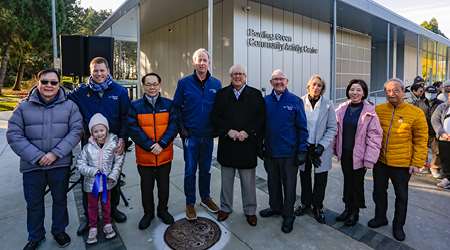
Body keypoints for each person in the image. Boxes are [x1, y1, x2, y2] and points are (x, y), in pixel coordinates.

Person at [7, 69, 83, 250]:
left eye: (53, 82)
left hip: (60, 164)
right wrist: (37, 156)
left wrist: (55, 154)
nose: (49, 85)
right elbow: (14, 135)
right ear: (38, 82)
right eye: (45, 82)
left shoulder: (70, 106)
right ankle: (35, 236)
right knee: (34, 204)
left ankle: (59, 231)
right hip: (32, 166)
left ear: (59, 85)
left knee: (60, 200)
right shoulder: (23, 107)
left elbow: (76, 131)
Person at [69, 57, 130, 234]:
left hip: (114, 143)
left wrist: (123, 139)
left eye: (102, 70)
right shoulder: (81, 92)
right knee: (88, 181)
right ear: (91, 71)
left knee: (113, 178)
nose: (99, 74)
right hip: (90, 144)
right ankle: (89, 219)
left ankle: (113, 210)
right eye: (95, 70)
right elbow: (60, 98)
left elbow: (126, 116)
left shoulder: (119, 91)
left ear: (108, 70)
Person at [369, 78, 428, 242]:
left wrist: (417, 162)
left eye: (395, 90)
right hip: (380, 162)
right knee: (378, 192)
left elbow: (421, 139)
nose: (391, 94)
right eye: (388, 91)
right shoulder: (378, 110)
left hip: (402, 164)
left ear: (403, 91)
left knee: (401, 196)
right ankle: (380, 217)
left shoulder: (416, 113)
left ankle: (398, 226)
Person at [211, 64, 265, 226]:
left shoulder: (255, 94)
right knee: (226, 181)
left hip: (247, 146)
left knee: (248, 183)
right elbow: (215, 117)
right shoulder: (222, 94)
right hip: (228, 145)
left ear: (245, 76)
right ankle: (225, 208)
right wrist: (228, 131)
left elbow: (261, 119)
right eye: (234, 74)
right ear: (230, 76)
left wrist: (248, 132)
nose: (238, 77)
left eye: (241, 74)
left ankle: (250, 211)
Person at [173, 48, 222, 220]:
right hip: (191, 137)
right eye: (199, 60)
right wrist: (182, 130)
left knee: (206, 170)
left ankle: (205, 198)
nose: (202, 63)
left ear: (209, 63)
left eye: (204, 60)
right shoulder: (184, 83)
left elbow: (219, 110)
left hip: (208, 136)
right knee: (190, 171)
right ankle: (190, 203)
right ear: (194, 63)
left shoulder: (216, 84)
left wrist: (217, 129)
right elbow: (176, 108)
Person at [258, 69, 308, 233]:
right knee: (273, 183)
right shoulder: (265, 101)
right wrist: (260, 146)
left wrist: (302, 150)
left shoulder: (295, 101)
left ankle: (288, 215)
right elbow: (261, 126)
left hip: (289, 153)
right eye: (275, 79)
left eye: (282, 79)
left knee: (289, 186)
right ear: (271, 83)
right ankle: (275, 208)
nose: (279, 82)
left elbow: (302, 128)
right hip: (271, 152)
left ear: (287, 82)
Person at [128, 73, 178, 229]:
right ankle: (148, 213)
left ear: (159, 85)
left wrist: (162, 143)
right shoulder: (135, 106)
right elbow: (133, 129)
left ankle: (163, 211)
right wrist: (150, 145)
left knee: (164, 187)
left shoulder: (169, 104)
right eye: (148, 84)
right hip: (145, 157)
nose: (152, 87)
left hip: (164, 155)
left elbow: (174, 125)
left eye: (155, 84)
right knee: (146, 188)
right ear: (143, 86)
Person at [334, 79, 382, 226]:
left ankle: (355, 212)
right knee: (347, 182)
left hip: (360, 156)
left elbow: (375, 136)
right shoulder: (342, 108)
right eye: (352, 89)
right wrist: (334, 149)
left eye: (358, 90)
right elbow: (335, 131)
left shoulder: (370, 111)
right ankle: (347, 209)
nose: (355, 92)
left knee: (357, 184)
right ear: (348, 91)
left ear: (364, 93)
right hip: (345, 154)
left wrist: (369, 159)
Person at [295, 74, 337, 225]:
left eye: (319, 85)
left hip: (320, 149)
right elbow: (295, 125)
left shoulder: (328, 104)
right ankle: (306, 203)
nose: (316, 87)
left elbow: (333, 128)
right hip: (304, 147)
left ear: (322, 88)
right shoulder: (299, 102)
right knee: (304, 176)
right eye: (314, 84)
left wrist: (322, 146)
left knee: (320, 179)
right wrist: (300, 145)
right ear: (308, 86)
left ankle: (318, 206)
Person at [76, 113, 124, 244]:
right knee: (92, 206)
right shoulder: (87, 148)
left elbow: (118, 162)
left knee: (106, 204)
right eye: (95, 131)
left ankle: (107, 223)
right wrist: (93, 171)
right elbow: (80, 164)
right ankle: (93, 226)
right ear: (91, 132)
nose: (99, 134)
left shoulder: (113, 144)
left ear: (107, 130)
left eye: (102, 130)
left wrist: (113, 176)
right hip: (92, 184)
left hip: (107, 182)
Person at [422, 85, 444, 178]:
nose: (430, 95)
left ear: (436, 93)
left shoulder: (441, 104)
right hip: (422, 130)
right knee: (422, 150)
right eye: (428, 93)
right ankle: (423, 166)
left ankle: (434, 167)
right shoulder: (419, 103)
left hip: (435, 131)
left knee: (437, 151)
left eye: (433, 93)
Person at [431, 82, 450, 189]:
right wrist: (442, 132)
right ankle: (447, 178)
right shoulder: (442, 107)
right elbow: (435, 120)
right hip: (445, 138)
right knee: (445, 159)